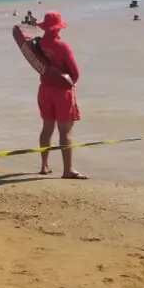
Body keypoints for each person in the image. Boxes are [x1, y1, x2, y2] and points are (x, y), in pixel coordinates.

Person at [35, 12, 87, 179]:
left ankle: (44, 165)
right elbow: (75, 73)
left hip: (44, 90)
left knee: (46, 128)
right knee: (65, 132)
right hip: (61, 92)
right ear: (58, 28)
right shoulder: (63, 47)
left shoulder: (38, 44)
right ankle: (68, 170)